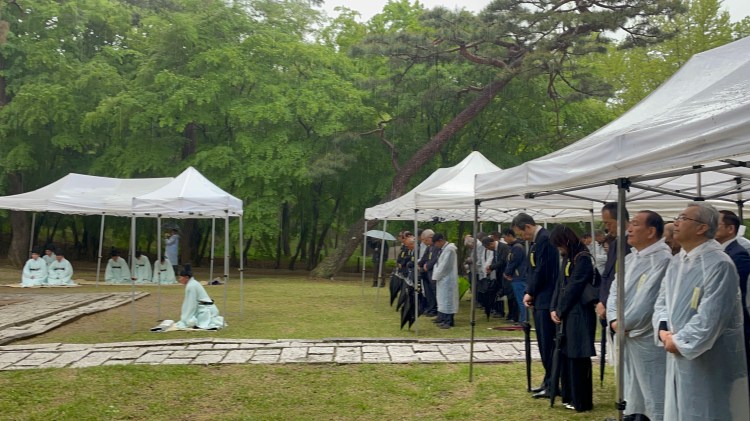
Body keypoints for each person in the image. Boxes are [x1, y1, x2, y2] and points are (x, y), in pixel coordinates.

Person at [653, 202, 749, 420]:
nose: (676, 223)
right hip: (675, 345)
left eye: (683, 218)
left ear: (702, 228)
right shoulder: (678, 261)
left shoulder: (719, 264)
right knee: (681, 406)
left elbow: (711, 316)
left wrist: (678, 341)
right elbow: (663, 300)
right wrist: (663, 328)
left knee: (707, 408)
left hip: (707, 355)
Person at [607, 210, 671, 421]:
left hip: (644, 336)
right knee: (631, 386)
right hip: (626, 332)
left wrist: (624, 323)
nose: (629, 229)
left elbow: (649, 301)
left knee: (653, 388)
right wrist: (614, 319)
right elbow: (614, 290)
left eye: (635, 224)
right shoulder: (630, 258)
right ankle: (633, 415)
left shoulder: (662, 260)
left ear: (651, 231)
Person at [512, 213, 559, 399]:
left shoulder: (545, 239)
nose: (522, 237)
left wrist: (530, 291)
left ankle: (553, 383)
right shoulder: (536, 241)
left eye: (521, 233)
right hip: (540, 298)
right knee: (543, 344)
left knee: (548, 344)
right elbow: (532, 270)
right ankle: (548, 381)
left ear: (528, 227)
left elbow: (542, 270)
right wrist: (530, 291)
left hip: (546, 299)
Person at [549, 225, 596, 412]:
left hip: (579, 313)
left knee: (578, 356)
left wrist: (560, 309)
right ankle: (569, 395)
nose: (559, 249)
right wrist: (554, 308)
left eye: (559, 244)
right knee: (567, 354)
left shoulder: (582, 258)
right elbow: (560, 283)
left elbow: (575, 286)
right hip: (568, 313)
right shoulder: (567, 257)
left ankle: (581, 400)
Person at [716, 209, 750, 393]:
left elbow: (735, 290)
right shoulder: (720, 253)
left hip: (735, 322)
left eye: (717, 224)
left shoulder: (738, 254)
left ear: (730, 229)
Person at [175, 265, 225, 330]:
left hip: (206, 310)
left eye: (181, 277)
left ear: (186, 277)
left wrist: (186, 318)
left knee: (191, 322)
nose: (179, 279)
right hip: (204, 307)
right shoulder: (193, 283)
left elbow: (191, 304)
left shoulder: (191, 286)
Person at [431, 233, 459, 329]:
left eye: (436, 243)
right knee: (442, 299)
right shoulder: (444, 249)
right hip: (442, 279)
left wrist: (436, 276)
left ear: (440, 241)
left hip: (447, 279)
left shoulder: (450, 249)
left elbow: (445, 266)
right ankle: (443, 318)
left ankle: (449, 321)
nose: (436, 245)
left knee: (448, 300)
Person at [502, 228, 528, 323]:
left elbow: (513, 262)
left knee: (521, 300)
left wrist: (507, 273)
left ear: (509, 235)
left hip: (519, 277)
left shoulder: (517, 247)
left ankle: (524, 320)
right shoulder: (513, 247)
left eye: (504, 237)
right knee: (519, 300)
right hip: (516, 277)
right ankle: (523, 319)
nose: (504, 239)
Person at [417, 229, 438, 316]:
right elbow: (424, 258)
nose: (424, 242)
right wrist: (419, 264)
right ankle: (430, 307)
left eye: (425, 240)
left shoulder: (436, 247)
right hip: (426, 273)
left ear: (430, 237)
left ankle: (434, 309)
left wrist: (427, 266)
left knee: (433, 292)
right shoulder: (429, 247)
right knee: (428, 292)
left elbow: (435, 259)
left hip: (432, 273)